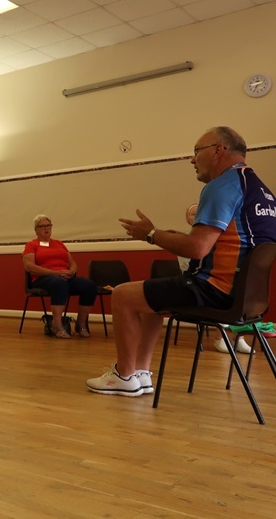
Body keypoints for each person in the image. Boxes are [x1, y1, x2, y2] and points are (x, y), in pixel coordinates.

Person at [87, 127, 276, 396]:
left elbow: (197, 248)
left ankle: (125, 375)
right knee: (151, 297)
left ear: (218, 150)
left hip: (214, 290)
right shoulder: (261, 190)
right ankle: (140, 373)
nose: (192, 159)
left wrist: (151, 235)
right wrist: (165, 235)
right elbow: (223, 244)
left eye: (197, 151)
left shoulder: (223, 185)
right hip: (246, 298)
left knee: (121, 294)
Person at [180, 203, 253, 355]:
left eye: (199, 212)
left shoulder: (218, 239)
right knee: (221, 291)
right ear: (188, 220)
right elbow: (190, 269)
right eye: (192, 214)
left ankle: (239, 337)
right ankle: (220, 337)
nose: (196, 216)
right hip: (194, 284)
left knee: (241, 292)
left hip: (214, 280)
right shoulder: (187, 241)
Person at [22, 215, 97, 339]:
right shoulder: (32, 245)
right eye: (42, 226)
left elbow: (72, 262)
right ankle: (57, 325)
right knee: (59, 283)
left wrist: (72, 271)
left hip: (64, 277)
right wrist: (56, 273)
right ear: (36, 230)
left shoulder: (59, 244)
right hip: (43, 279)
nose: (46, 229)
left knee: (89, 285)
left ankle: (81, 323)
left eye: (48, 226)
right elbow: (30, 267)